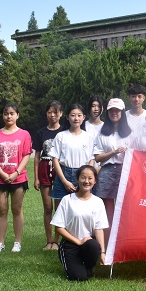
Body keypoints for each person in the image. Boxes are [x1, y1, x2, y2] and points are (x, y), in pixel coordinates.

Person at [0, 103, 33, 253]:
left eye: (12, 113)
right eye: (6, 113)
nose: (9, 116)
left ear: (17, 115)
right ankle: (0, 243)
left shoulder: (24, 134)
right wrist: (1, 173)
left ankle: (17, 242)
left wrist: (16, 173)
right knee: (2, 210)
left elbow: (26, 155)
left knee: (16, 209)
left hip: (18, 178)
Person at [49, 103, 96, 247]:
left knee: (83, 208)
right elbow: (55, 159)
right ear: (67, 117)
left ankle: (85, 238)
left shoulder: (88, 137)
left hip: (82, 175)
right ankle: (56, 241)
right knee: (60, 210)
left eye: (79, 115)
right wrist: (64, 180)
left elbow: (92, 159)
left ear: (84, 117)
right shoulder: (61, 136)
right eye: (73, 115)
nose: (76, 118)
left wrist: (87, 177)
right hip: (64, 173)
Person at [51, 165, 108, 281]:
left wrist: (102, 252)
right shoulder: (67, 200)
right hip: (70, 244)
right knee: (79, 277)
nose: (86, 181)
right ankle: (78, 268)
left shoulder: (98, 202)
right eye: (83, 177)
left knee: (93, 245)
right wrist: (78, 241)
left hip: (88, 243)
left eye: (90, 178)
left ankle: (88, 267)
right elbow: (58, 227)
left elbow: (99, 228)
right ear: (77, 179)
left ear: (95, 181)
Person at [93, 98, 132, 247]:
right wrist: (113, 152)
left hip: (125, 171)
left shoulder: (129, 133)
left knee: (125, 210)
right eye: (111, 111)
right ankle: (107, 245)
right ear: (107, 112)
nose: (114, 113)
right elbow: (97, 157)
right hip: (107, 171)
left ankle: (123, 243)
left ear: (122, 112)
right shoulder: (102, 133)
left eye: (117, 110)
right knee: (108, 212)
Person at [32, 100, 65, 251]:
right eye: (50, 112)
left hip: (59, 168)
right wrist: (36, 178)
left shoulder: (64, 132)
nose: (52, 115)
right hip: (44, 167)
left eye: (55, 112)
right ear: (46, 113)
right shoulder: (41, 132)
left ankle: (57, 241)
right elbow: (36, 156)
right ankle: (48, 240)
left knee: (59, 207)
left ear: (61, 114)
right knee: (47, 207)